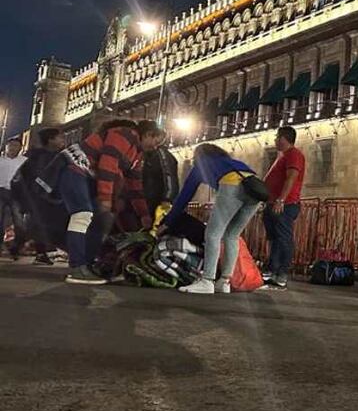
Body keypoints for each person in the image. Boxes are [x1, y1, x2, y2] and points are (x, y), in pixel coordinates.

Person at [47, 120, 164, 284]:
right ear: (147, 135)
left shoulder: (137, 155)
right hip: (75, 169)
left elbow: (135, 185)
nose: (155, 147)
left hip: (88, 177)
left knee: (101, 220)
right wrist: (105, 198)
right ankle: (77, 267)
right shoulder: (124, 135)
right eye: (156, 142)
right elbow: (107, 165)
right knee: (82, 215)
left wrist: (143, 214)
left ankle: (88, 263)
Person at [161, 144, 260, 295]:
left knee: (213, 234)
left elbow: (184, 196)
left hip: (232, 184)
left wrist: (167, 222)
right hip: (256, 190)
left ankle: (207, 281)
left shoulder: (202, 165)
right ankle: (224, 282)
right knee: (232, 235)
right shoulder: (231, 162)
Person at [10, 128, 67, 265]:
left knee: (38, 226)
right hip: (38, 198)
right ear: (50, 140)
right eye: (59, 137)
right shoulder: (40, 157)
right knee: (40, 225)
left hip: (43, 198)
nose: (63, 140)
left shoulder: (55, 156)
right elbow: (37, 179)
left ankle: (18, 246)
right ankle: (40, 253)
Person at [262, 126, 305, 289]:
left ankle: (282, 274)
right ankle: (273, 271)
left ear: (283, 138)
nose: (275, 140)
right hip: (274, 203)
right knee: (275, 238)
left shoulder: (294, 154)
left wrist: (281, 200)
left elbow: (291, 177)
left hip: (285, 205)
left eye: (277, 137)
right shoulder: (283, 156)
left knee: (283, 238)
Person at [0, 138, 28, 260]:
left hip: (16, 194)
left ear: (20, 148)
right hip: (1, 191)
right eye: (11, 145)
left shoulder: (24, 161)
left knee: (19, 222)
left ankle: (16, 247)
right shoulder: (1, 160)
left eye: (16, 145)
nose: (13, 148)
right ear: (6, 147)